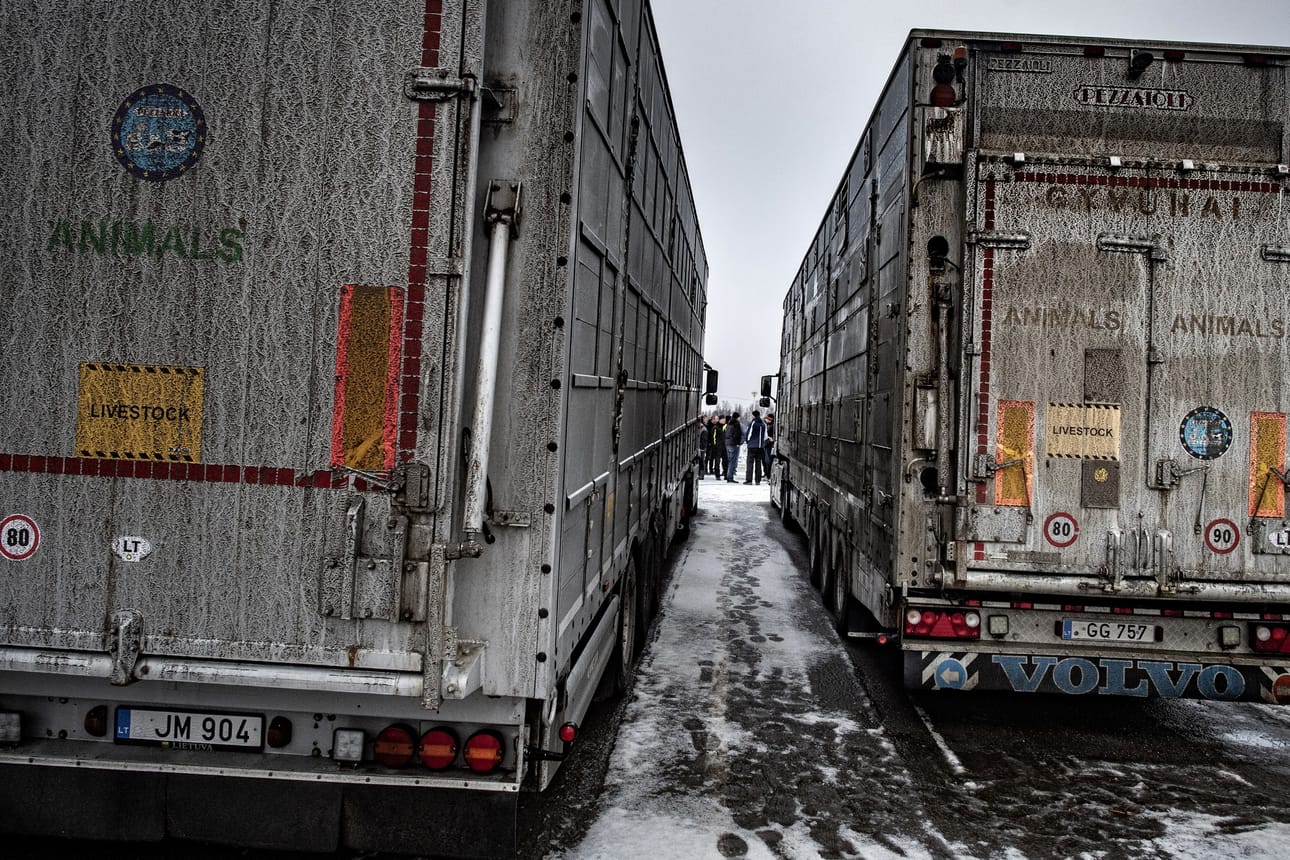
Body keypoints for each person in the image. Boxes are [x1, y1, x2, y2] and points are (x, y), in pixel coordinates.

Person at [743, 410, 767, 485]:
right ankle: (758, 480)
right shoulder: (763, 424)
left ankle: (749, 480)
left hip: (752, 446)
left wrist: (748, 441)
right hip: (760, 447)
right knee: (758, 463)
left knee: (750, 463)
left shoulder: (753, 423)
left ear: (753, 415)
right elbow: (765, 436)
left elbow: (749, 434)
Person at [723, 412, 743, 482]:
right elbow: (737, 434)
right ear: (737, 417)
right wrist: (738, 443)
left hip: (727, 444)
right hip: (733, 444)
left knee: (729, 460)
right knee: (732, 461)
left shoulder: (729, 423)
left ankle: (728, 476)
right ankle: (730, 477)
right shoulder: (736, 424)